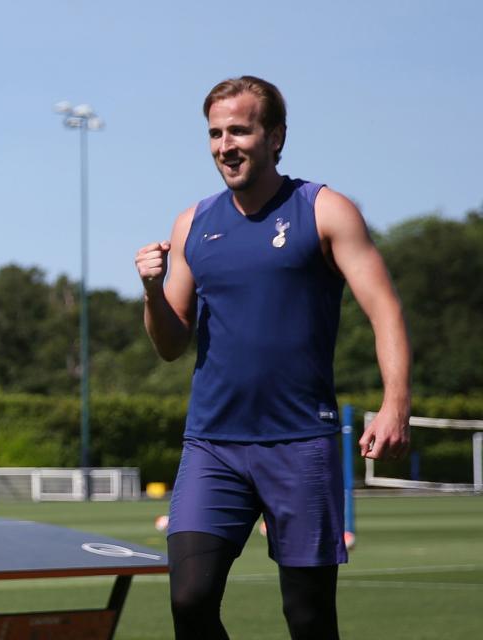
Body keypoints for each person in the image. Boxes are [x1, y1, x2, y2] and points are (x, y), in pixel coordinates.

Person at [134, 76, 411, 640]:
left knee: (308, 619)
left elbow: (385, 311)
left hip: (300, 443)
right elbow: (169, 345)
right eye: (214, 133)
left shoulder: (325, 210)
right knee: (189, 600)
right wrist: (151, 291)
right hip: (213, 444)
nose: (225, 145)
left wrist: (395, 404)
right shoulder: (192, 224)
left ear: (276, 136)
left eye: (240, 129)